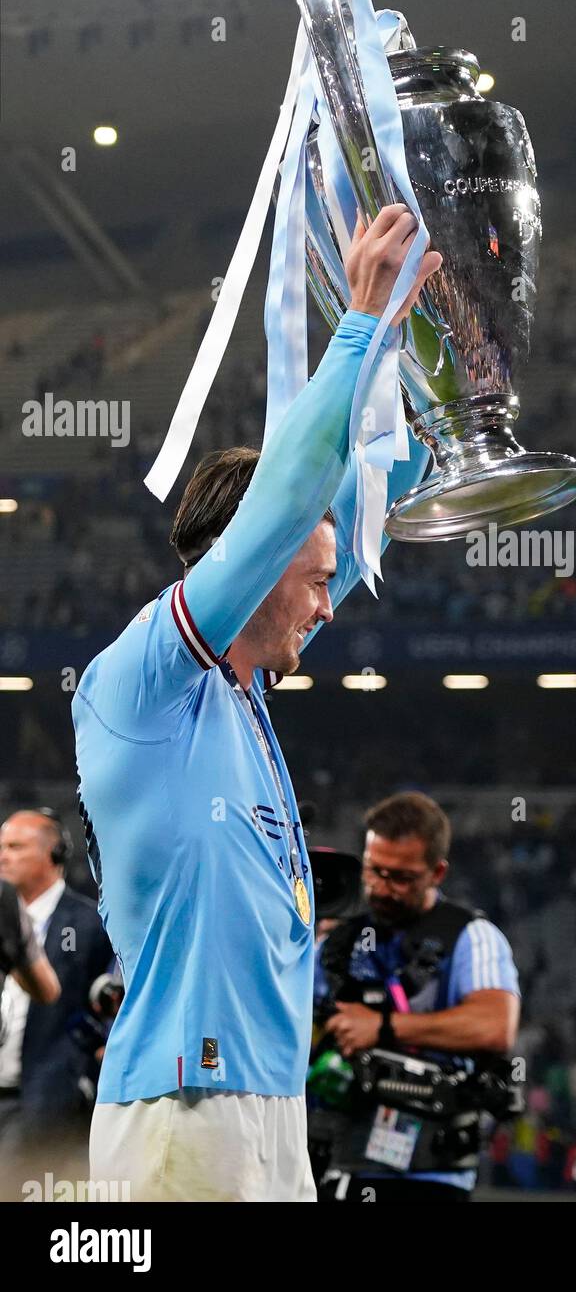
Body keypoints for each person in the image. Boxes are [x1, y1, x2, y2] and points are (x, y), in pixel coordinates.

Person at [73, 207, 442, 1201]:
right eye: (315, 579)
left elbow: (378, 495)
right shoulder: (143, 681)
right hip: (184, 1105)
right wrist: (357, 318)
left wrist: (402, 343)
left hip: (263, 1101)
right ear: (258, 560)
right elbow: (289, 503)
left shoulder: (244, 689)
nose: (332, 603)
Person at [313, 791, 521, 1202]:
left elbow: (495, 1026)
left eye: (401, 877)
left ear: (437, 872)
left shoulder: (471, 937)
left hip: (429, 1175)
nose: (383, 888)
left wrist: (383, 1026)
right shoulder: (341, 940)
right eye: (375, 871)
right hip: (339, 1160)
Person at [0, 808, 109, 1189]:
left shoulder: (92, 924)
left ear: (54, 854)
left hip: (48, 1106)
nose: (3, 856)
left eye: (15, 846)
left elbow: (112, 1006)